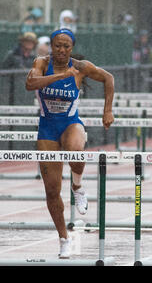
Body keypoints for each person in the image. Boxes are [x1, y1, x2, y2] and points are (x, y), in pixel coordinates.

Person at [25, 28, 115, 258]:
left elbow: (108, 78)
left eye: (66, 46)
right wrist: (59, 76)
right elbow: (30, 83)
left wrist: (107, 112)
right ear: (51, 46)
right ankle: (64, 238)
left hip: (70, 123)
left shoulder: (81, 67)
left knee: (76, 150)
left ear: (72, 48)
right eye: (57, 46)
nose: (61, 50)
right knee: (52, 190)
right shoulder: (42, 63)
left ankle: (77, 186)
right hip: (47, 127)